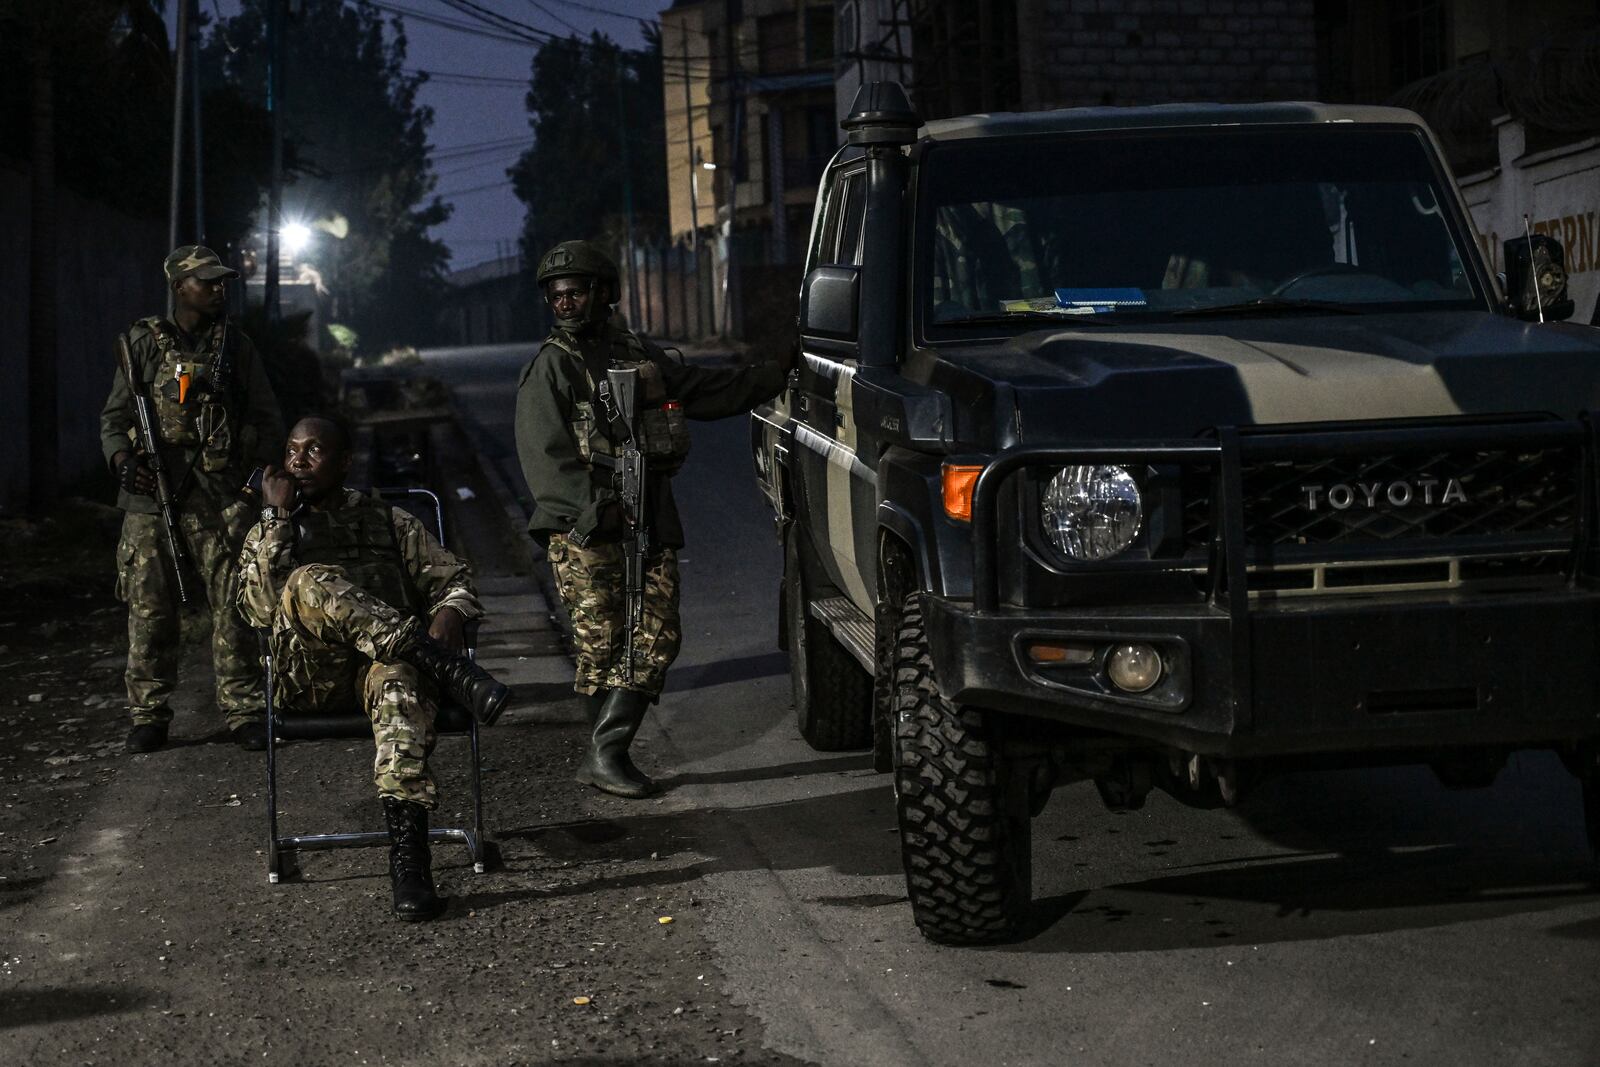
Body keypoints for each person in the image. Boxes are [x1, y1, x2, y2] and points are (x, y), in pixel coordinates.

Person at [514, 240, 792, 799]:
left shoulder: (633, 351)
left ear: (604, 293)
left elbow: (703, 392)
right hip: (585, 532)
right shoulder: (550, 368)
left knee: (655, 636)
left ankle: (606, 752)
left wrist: (775, 369)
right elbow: (545, 460)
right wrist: (596, 511)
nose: (566, 303)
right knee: (602, 646)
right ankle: (605, 755)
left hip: (647, 519)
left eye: (576, 291)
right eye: (556, 295)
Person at [236, 415, 512, 921]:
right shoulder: (269, 526)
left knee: (400, 682)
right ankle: (446, 669)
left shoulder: (388, 520)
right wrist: (276, 521)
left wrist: (449, 611)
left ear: (344, 462)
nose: (299, 460)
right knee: (308, 580)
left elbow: (454, 580)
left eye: (315, 450)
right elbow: (257, 611)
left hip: (380, 670)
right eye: (292, 449)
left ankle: (410, 864)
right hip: (310, 678)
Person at [100, 245, 285, 754]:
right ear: (180, 287)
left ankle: (244, 710)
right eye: (208, 282)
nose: (219, 289)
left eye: (222, 281)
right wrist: (123, 462)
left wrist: (250, 486)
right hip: (151, 501)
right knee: (149, 609)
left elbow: (269, 422)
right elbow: (115, 420)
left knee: (234, 608)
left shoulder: (236, 348)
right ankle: (149, 716)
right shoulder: (142, 344)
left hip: (220, 499)